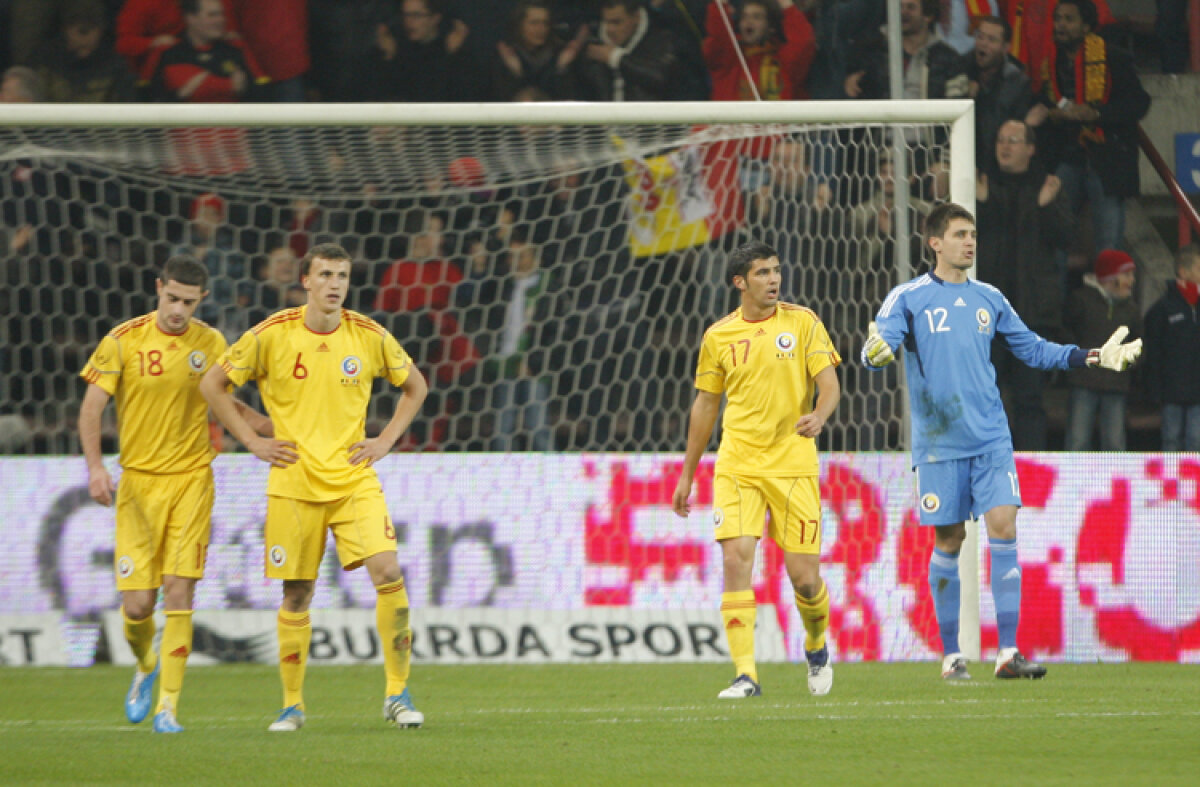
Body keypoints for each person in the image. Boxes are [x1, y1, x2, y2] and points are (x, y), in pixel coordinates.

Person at [862, 202, 1141, 680]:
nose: (969, 242)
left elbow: (1032, 348)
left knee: (1005, 528)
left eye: (972, 234)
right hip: (940, 443)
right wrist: (876, 353)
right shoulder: (907, 298)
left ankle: (1008, 652)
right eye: (959, 234)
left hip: (991, 437)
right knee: (949, 539)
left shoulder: (989, 298)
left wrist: (1092, 356)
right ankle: (952, 655)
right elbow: (878, 346)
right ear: (935, 243)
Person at [200, 242, 429, 732]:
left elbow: (416, 386)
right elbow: (212, 385)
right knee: (298, 594)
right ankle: (292, 706)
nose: (334, 284)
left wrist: (385, 440)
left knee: (388, 569)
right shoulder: (272, 335)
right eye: (324, 274)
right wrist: (250, 442)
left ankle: (397, 692)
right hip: (294, 482)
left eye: (342, 276)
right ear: (305, 281)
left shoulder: (368, 335)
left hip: (352, 479)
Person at [78, 255, 271, 733]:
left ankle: (169, 707)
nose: (178, 310)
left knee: (180, 588)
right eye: (172, 298)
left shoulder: (211, 343)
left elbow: (220, 396)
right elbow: (90, 409)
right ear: (158, 287)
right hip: (138, 486)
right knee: (137, 607)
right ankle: (146, 666)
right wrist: (96, 468)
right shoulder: (123, 340)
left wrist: (256, 423)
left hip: (191, 481)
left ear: (201, 299)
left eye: (188, 302)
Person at [672, 240, 841, 699]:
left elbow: (829, 384)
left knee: (805, 580)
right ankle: (746, 674)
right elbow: (706, 403)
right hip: (738, 464)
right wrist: (688, 472)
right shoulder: (718, 336)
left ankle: (816, 642)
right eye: (763, 273)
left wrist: (821, 416)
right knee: (735, 559)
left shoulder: (802, 322)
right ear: (739, 282)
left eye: (776, 270)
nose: (774, 279)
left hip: (793, 465)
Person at [975, 119, 1073, 450]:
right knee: (982, 397)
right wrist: (983, 203)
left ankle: (1031, 470)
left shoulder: (1048, 187)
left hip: (1030, 316)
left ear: (1030, 149)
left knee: (1030, 398)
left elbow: (1063, 238)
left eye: (1013, 140)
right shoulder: (980, 185)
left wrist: (1044, 205)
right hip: (985, 317)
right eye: (1001, 139)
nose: (1005, 146)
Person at [1025, 0, 1149, 257]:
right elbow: (1049, 101)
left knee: (1109, 242)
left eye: (1069, 19)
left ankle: (1111, 297)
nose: (1060, 25)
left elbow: (1139, 102)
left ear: (1086, 27)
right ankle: (1053, 295)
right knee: (1053, 233)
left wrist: (1096, 113)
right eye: (1058, 18)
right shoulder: (1052, 61)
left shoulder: (1113, 56)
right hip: (1067, 157)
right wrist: (1046, 112)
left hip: (1105, 159)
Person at [1063, 249, 1142, 451]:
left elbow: (1139, 345)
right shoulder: (1080, 300)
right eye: (1127, 274)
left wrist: (1128, 361)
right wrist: (1079, 358)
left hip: (1116, 384)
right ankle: (1074, 482)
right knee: (1077, 441)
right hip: (1084, 381)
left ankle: (1115, 482)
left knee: (1115, 443)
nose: (1132, 280)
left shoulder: (1131, 309)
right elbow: (1064, 332)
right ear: (1110, 276)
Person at [144, 0, 269, 102]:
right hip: (181, 132)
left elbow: (265, 97)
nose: (221, 20)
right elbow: (145, 101)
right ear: (191, 18)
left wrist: (243, 90)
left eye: (222, 14)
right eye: (212, 15)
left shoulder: (236, 49)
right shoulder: (166, 52)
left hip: (232, 131)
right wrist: (180, 95)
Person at [1144, 245, 1200, 451]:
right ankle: (1171, 483)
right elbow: (1154, 352)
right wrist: (1155, 389)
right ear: (1184, 272)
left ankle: (1194, 483)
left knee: (1196, 442)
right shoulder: (1162, 309)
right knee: (1171, 440)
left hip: (1198, 391)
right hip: (1171, 391)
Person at [702, 0, 815, 101]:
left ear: (771, 27)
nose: (749, 21)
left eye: (757, 17)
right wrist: (721, 4)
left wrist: (784, 3)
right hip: (730, 124)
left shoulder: (783, 60)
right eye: (744, 17)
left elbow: (803, 40)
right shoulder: (728, 58)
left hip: (774, 123)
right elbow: (718, 34)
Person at [966, 16, 1032, 176]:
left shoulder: (1017, 83)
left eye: (991, 40)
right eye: (980, 36)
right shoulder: (960, 69)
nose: (983, 43)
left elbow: (1002, 129)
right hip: (963, 161)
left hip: (999, 170)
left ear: (1006, 47)